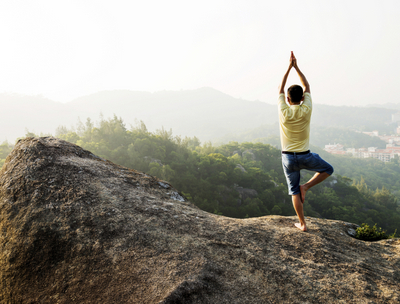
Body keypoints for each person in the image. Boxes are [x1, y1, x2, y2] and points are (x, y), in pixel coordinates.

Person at [278, 51, 334, 232]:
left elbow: (280, 88)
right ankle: (307, 187)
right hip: (305, 156)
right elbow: (307, 85)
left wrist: (288, 67)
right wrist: (296, 67)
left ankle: (302, 224)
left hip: (288, 158)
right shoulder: (306, 108)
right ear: (302, 98)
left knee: (293, 191)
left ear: (287, 99)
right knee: (328, 169)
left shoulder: (284, 111)